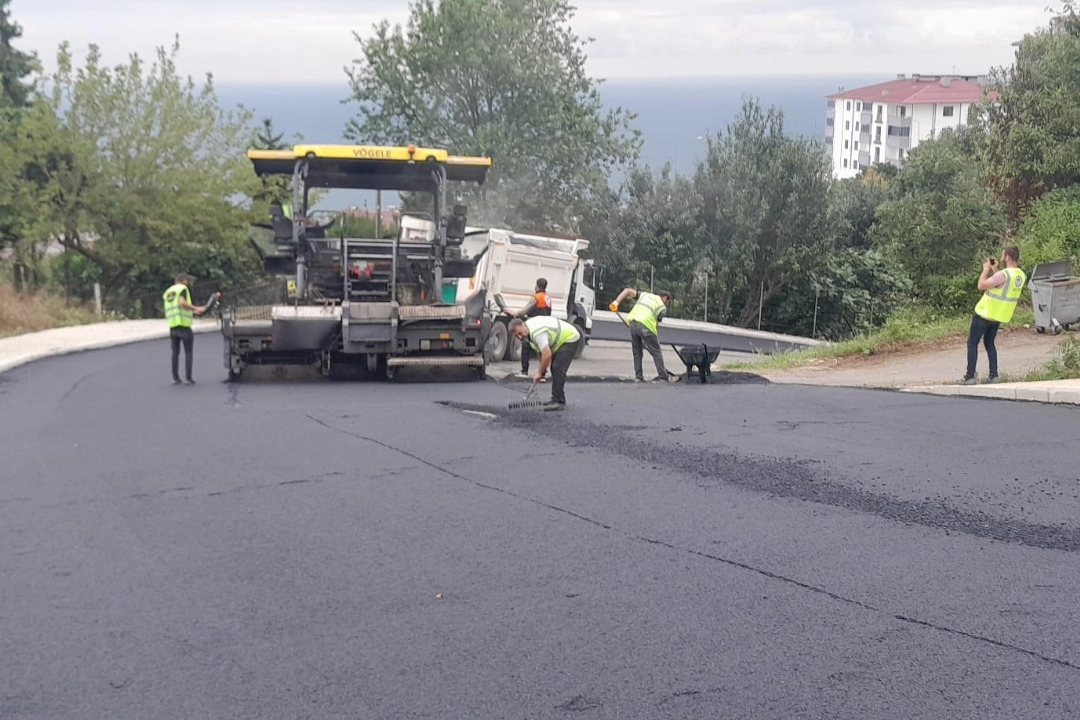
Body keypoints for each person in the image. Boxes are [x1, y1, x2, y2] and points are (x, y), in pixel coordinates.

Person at [962, 245, 1027, 385]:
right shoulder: (1020, 275)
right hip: (998, 315)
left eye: (1003, 255)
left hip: (985, 313)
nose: (1002, 257)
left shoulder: (1003, 274)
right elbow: (1002, 285)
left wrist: (986, 270)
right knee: (989, 343)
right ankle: (994, 375)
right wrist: (995, 269)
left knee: (972, 343)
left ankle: (970, 376)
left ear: (1008, 257)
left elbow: (981, 285)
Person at [508, 316, 580, 411]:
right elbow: (540, 352)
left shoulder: (537, 333)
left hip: (570, 337)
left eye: (520, 333)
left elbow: (547, 354)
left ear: (523, 325)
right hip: (559, 339)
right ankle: (556, 398)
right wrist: (542, 370)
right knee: (554, 367)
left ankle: (559, 401)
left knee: (557, 367)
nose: (520, 337)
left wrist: (539, 372)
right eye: (517, 336)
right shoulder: (528, 333)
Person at [609, 288, 679, 383]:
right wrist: (649, 339)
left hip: (632, 324)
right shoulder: (662, 307)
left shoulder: (645, 295)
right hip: (646, 326)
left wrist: (616, 303)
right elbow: (656, 323)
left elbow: (627, 290)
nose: (666, 304)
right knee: (656, 352)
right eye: (667, 302)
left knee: (637, 352)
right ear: (666, 298)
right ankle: (663, 376)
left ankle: (638, 377)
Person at [163, 274, 213, 385]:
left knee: (175, 353)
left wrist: (193, 311)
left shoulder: (168, 292)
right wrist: (196, 307)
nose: (189, 283)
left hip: (173, 326)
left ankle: (175, 378)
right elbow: (182, 302)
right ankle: (188, 378)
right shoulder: (183, 289)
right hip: (184, 326)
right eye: (188, 280)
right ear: (184, 280)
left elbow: (177, 308)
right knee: (188, 352)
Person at [513, 278, 552, 381]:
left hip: (534, 326)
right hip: (545, 327)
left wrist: (517, 313)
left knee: (526, 347)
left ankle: (524, 371)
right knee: (542, 350)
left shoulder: (536, 298)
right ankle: (542, 374)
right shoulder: (548, 298)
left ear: (537, 286)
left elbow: (525, 310)